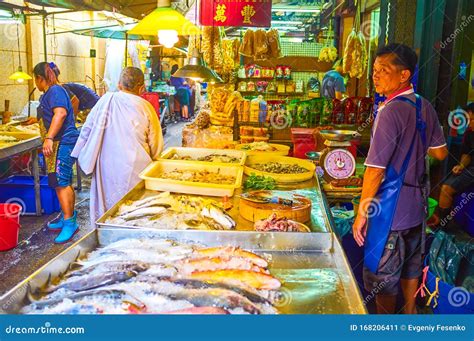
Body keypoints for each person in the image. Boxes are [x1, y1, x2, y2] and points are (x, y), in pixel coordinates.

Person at [352, 44, 448, 314]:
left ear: (404, 75)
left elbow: (374, 170)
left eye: (384, 70)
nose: (376, 75)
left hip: (388, 212)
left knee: (381, 279)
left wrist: (361, 214)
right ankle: (408, 320)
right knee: (410, 270)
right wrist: (415, 144)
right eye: (374, 70)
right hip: (417, 210)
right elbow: (440, 153)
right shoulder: (424, 106)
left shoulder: (389, 111)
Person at [71, 67, 163, 225]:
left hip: (107, 167)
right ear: (141, 88)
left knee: (109, 208)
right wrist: (155, 158)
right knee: (135, 211)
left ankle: (106, 234)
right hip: (137, 169)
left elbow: (87, 129)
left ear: (119, 84)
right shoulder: (146, 107)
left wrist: (78, 154)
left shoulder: (105, 101)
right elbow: (156, 144)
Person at [33, 61, 79, 243]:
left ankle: (70, 223)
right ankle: (67, 216)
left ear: (39, 78)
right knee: (60, 180)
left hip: (63, 142)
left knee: (61, 182)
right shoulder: (53, 91)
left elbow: (60, 114)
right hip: (60, 142)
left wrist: (49, 137)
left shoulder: (54, 91)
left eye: (35, 79)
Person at [432, 103, 474, 227]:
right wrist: (461, 166)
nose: (469, 123)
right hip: (471, 169)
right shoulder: (469, 132)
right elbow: (467, 154)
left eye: (472, 120)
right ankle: (443, 227)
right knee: (446, 189)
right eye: (468, 120)